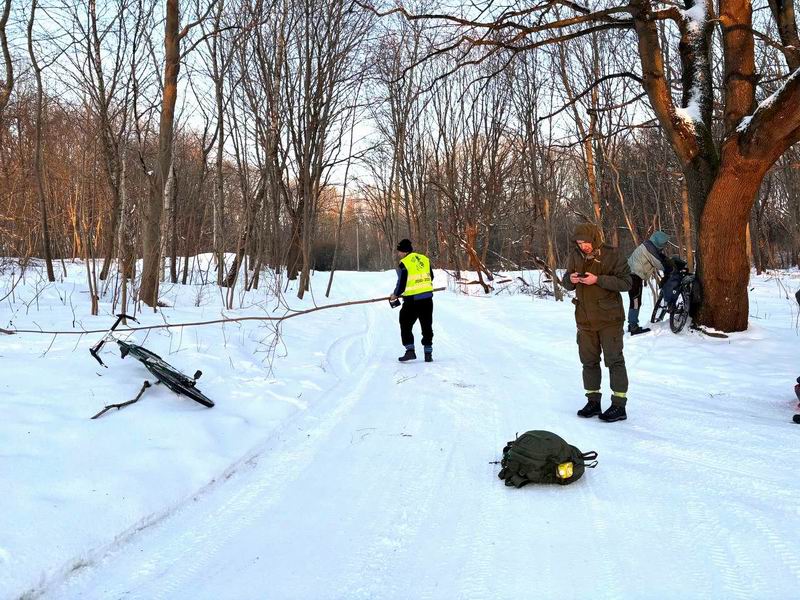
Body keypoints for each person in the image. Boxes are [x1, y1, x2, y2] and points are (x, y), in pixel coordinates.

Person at [561, 223, 632, 422]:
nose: (583, 246)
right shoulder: (575, 255)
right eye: (580, 243)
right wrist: (571, 279)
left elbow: (627, 283)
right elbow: (566, 282)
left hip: (609, 319)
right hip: (584, 319)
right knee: (588, 362)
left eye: (586, 242)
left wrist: (598, 280)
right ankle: (593, 401)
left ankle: (619, 406)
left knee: (614, 361)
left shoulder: (613, 255)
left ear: (594, 238)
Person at [389, 239, 434, 362]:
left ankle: (410, 351)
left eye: (399, 251)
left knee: (405, 322)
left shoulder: (404, 263)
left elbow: (402, 284)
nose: (399, 254)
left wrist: (395, 294)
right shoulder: (424, 259)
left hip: (412, 301)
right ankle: (428, 353)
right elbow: (432, 276)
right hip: (427, 298)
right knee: (426, 325)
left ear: (403, 251)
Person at [627, 231, 669, 335]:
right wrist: (670, 267)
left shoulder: (648, 245)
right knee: (635, 301)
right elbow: (659, 264)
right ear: (659, 242)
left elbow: (658, 256)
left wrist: (665, 258)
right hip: (633, 277)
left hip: (632, 275)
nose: (664, 246)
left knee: (635, 301)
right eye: (663, 244)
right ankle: (633, 326)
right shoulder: (650, 249)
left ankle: (632, 324)